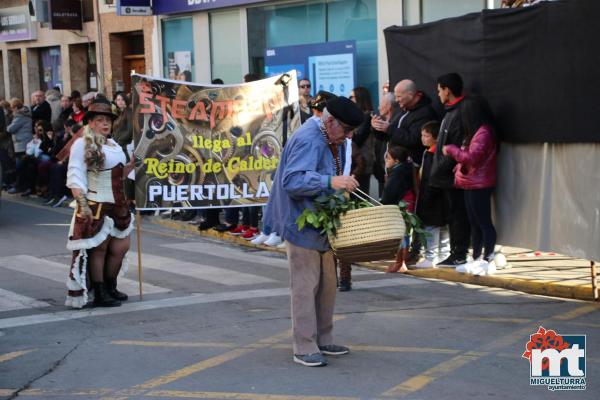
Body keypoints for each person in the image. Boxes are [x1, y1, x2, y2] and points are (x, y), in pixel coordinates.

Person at [267, 96, 363, 367]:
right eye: (346, 130)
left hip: (321, 223)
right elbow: (292, 181)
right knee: (305, 286)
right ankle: (304, 345)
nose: (348, 137)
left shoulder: (333, 137)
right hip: (301, 222)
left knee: (327, 286)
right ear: (330, 121)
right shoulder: (309, 138)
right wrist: (331, 181)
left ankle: (324, 338)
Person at [65, 98, 135, 308]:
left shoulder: (113, 144)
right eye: (100, 120)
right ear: (91, 122)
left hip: (118, 205)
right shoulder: (82, 143)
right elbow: (75, 175)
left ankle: (111, 285)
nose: (106, 124)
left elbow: (118, 174)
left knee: (121, 247)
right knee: (100, 249)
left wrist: (131, 166)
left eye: (108, 120)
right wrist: (83, 204)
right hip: (96, 204)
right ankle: (100, 290)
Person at [443, 96, 498, 275]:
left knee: (483, 223)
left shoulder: (483, 133)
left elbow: (473, 158)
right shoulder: (476, 132)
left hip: (479, 184)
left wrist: (451, 149)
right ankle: (476, 259)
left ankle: (488, 259)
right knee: (474, 223)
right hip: (471, 182)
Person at [430, 73, 471, 267]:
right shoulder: (450, 111)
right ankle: (456, 252)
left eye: (439, 90)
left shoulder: (460, 113)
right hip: (445, 175)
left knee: (458, 214)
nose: (438, 94)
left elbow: (454, 146)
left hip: (453, 176)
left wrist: (440, 169)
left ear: (447, 90)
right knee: (453, 214)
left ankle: (460, 253)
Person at [414, 121, 450, 268]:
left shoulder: (433, 154)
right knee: (442, 227)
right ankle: (443, 255)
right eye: (422, 135)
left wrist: (427, 196)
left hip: (433, 197)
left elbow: (430, 178)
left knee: (432, 227)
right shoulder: (430, 152)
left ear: (436, 137)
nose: (423, 138)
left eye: (426, 135)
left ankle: (431, 256)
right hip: (439, 196)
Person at [381, 145, 416, 273]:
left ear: (396, 161)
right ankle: (401, 262)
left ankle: (400, 263)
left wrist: (384, 203)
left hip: (402, 203)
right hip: (407, 201)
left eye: (388, 159)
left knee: (401, 233)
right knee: (404, 233)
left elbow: (390, 193)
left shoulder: (397, 172)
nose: (386, 162)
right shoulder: (404, 169)